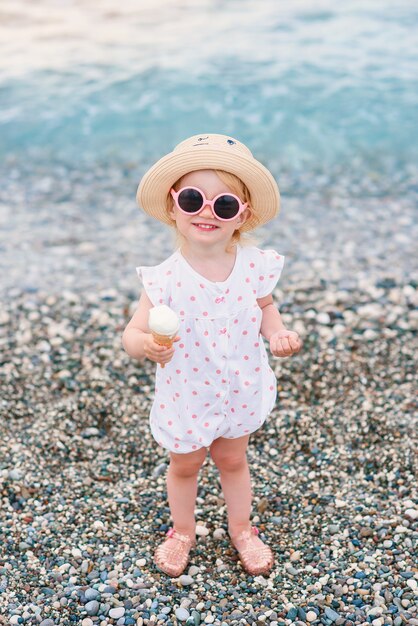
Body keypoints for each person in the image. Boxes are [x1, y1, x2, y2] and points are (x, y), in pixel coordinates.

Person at [122, 133, 302, 577]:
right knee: (185, 464)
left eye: (223, 205)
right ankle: (182, 530)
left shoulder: (254, 265)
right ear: (172, 206)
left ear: (241, 215)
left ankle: (242, 527)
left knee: (233, 459)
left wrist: (278, 333)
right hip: (188, 392)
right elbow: (132, 331)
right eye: (192, 199)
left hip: (240, 385)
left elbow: (265, 308)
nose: (207, 211)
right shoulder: (164, 280)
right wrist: (145, 346)